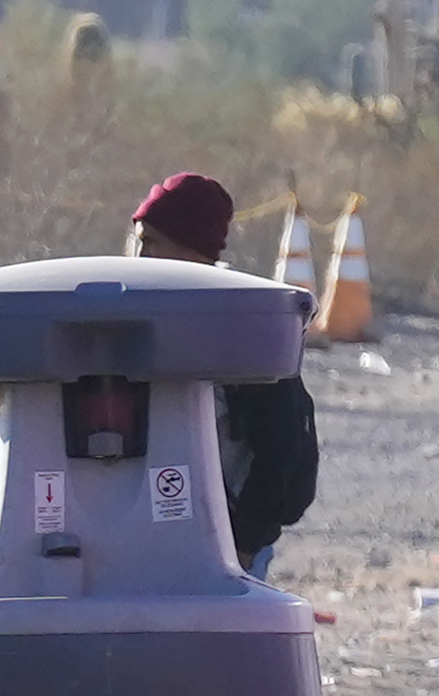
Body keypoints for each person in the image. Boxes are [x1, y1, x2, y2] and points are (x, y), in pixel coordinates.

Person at [126, 172, 319, 574]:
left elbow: (279, 448)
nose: (138, 256)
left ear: (190, 246)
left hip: (226, 544)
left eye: (150, 243)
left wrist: (244, 544)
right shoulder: (149, 318)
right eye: (137, 241)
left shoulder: (241, 325)